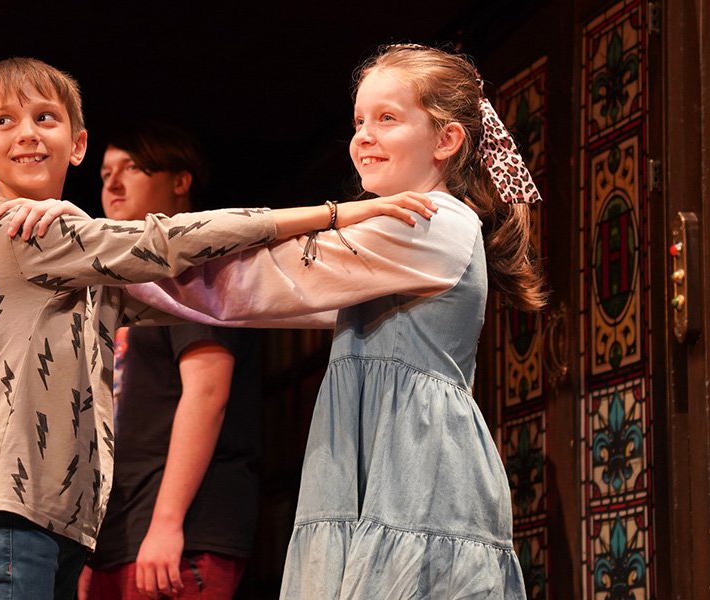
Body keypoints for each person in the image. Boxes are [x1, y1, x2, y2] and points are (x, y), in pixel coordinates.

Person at [0, 56, 437, 600]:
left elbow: (207, 301)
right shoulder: (19, 228)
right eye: (4, 122)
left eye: (44, 117)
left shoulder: (72, 244)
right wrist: (335, 213)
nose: (28, 135)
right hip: (10, 504)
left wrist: (365, 296)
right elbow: (164, 242)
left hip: (59, 514)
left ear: (77, 142)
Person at [120, 44, 545, 598]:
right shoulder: (404, 229)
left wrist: (98, 257)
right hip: (372, 454)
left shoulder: (432, 222)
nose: (363, 136)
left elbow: (265, 279)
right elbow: (255, 294)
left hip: (416, 466)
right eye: (359, 121)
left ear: (446, 140)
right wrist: (110, 269)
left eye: (387, 119)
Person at [80, 125, 260, 599]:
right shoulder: (126, 280)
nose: (113, 184)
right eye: (105, 173)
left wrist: (165, 525)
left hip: (180, 534)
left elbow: (207, 391)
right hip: (119, 535)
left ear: (180, 182)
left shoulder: (191, 268)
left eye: (133, 169)